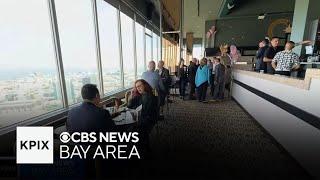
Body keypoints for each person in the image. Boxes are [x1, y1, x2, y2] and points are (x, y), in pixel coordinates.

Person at [128, 79, 158, 155]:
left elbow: (148, 113)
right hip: (141, 118)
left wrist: (137, 119)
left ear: (145, 85)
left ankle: (144, 149)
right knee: (132, 128)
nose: (138, 88)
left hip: (149, 119)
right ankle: (141, 148)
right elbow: (129, 106)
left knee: (136, 129)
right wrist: (131, 96)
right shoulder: (139, 96)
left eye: (140, 86)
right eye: (137, 87)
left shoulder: (151, 98)